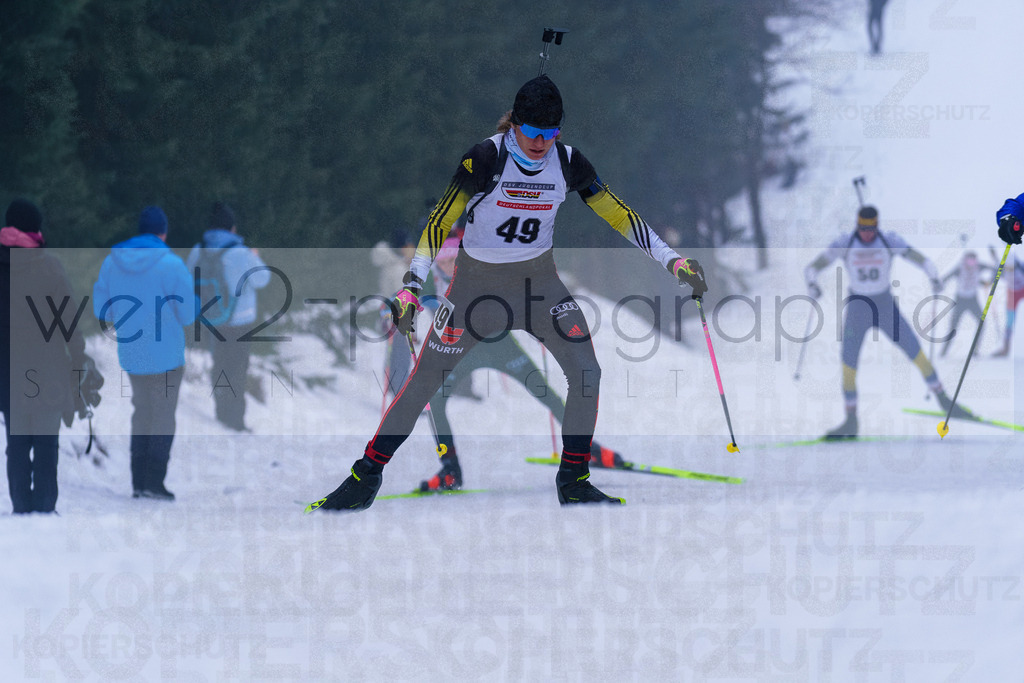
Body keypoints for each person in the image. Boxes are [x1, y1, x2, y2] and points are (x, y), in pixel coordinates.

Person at [310, 74, 707, 511]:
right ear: (514, 123)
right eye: (531, 131)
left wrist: (674, 261)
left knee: (587, 372)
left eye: (549, 133)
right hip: (476, 291)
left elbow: (620, 216)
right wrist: (411, 288)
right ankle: (364, 477)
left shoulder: (568, 162)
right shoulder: (485, 157)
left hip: (539, 287)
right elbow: (440, 222)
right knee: (424, 382)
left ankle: (574, 479)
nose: (540, 143)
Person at [418, 229, 626, 493]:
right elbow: (408, 299)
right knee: (434, 404)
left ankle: (587, 449)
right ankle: (450, 470)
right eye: (443, 261)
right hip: (460, 351)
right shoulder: (432, 280)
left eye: (453, 259)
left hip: (501, 347)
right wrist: (398, 313)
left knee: (544, 393)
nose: (448, 265)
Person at [805, 205, 971, 440]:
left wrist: (933, 277)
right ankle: (851, 420)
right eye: (863, 229)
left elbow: (922, 260)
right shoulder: (845, 242)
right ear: (857, 226)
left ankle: (944, 400)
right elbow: (813, 267)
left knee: (915, 350)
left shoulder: (888, 240)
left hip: (884, 305)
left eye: (871, 229)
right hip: (858, 307)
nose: (867, 234)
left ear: (877, 226)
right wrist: (812, 284)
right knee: (848, 363)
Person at [93, 206, 197, 500]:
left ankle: (138, 481)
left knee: (142, 413)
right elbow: (188, 314)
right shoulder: (171, 264)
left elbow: (102, 310)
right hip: (167, 355)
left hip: (132, 352)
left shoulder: (112, 263)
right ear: (162, 232)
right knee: (163, 416)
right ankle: (154, 481)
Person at [1, 199, 95, 513]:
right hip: (47, 367)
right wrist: (79, 356)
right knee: (45, 440)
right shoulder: (49, 266)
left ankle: (20, 505)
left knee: (17, 442)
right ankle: (44, 505)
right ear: (34, 229)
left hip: (8, 369)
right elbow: (68, 318)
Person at [186, 201, 270, 431]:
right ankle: (235, 420)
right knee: (237, 369)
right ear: (232, 228)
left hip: (211, 317)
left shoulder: (199, 249)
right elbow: (262, 279)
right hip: (239, 320)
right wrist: (255, 256)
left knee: (220, 364)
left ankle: (221, 412)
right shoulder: (241, 253)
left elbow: (189, 275)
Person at [370, 228, 417, 401]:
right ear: (402, 247)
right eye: (409, 246)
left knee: (395, 354)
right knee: (401, 356)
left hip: (391, 316)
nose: (413, 250)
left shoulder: (394, 264)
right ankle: (400, 395)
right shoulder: (398, 269)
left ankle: (393, 389)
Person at [937, 251, 993, 357]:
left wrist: (989, 281)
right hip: (960, 301)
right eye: (969, 260)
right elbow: (946, 278)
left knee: (982, 322)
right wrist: (938, 284)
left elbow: (995, 269)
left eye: (973, 260)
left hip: (973, 300)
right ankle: (944, 352)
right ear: (965, 260)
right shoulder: (959, 268)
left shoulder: (979, 266)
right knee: (953, 327)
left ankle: (975, 350)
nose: (971, 263)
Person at [994, 193, 1024, 356]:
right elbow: (1018, 204)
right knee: (1010, 320)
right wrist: (1008, 219)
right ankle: (1005, 347)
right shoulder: (1014, 266)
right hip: (1014, 292)